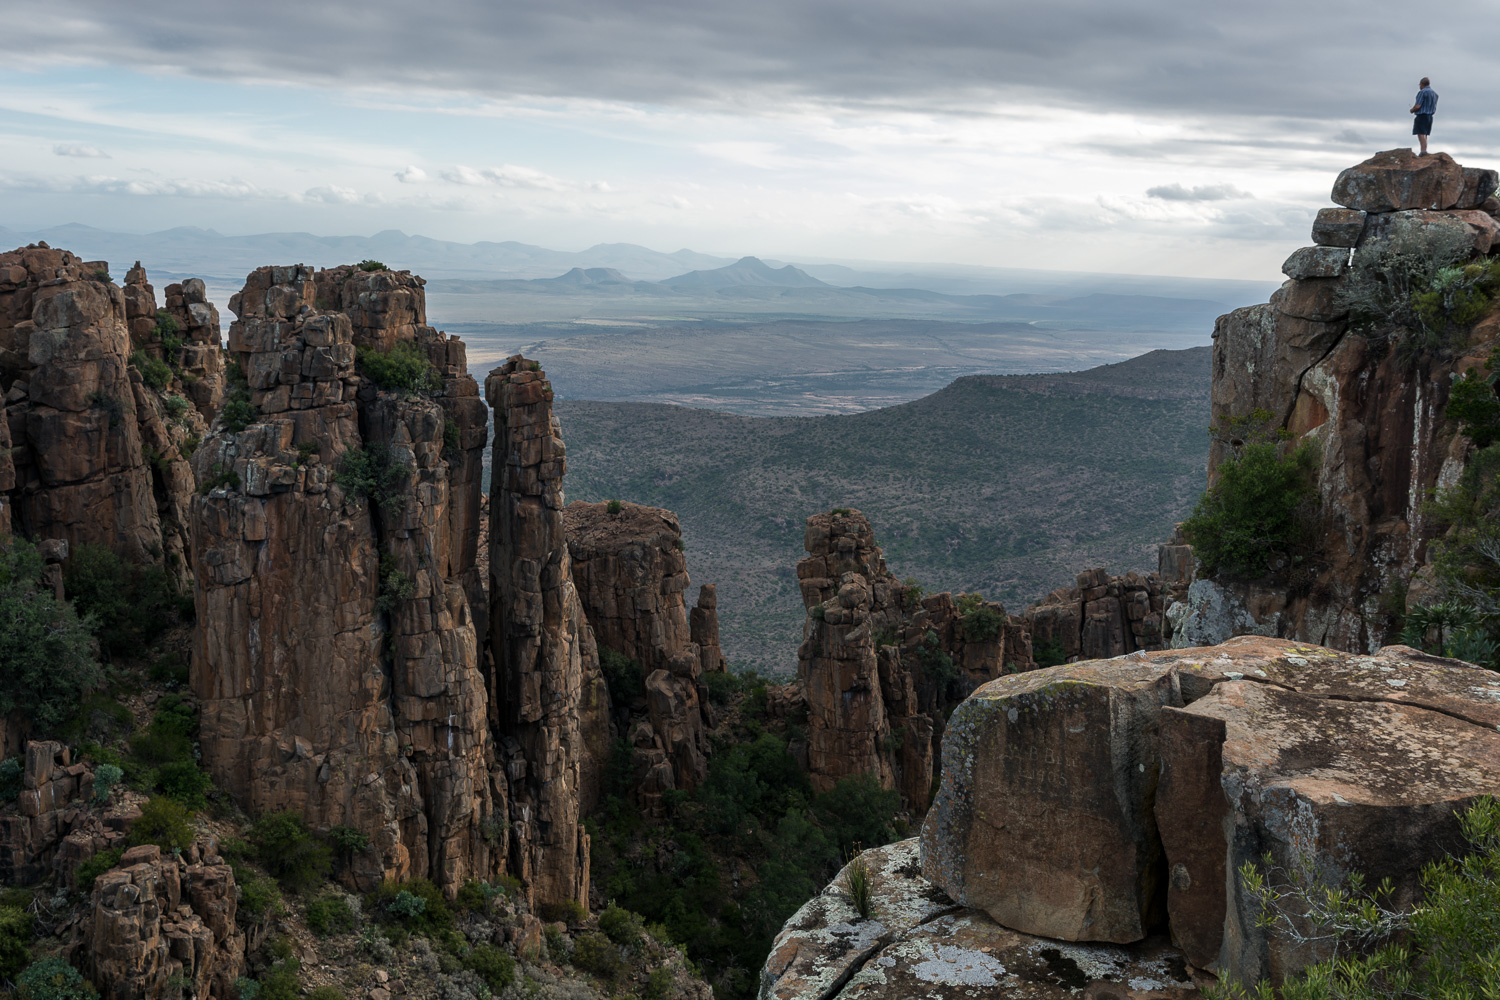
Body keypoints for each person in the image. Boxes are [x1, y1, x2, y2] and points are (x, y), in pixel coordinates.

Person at [1410, 77, 1438, 155]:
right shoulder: (1434, 94)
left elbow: (1418, 106)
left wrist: (1412, 110)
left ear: (1422, 84)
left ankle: (1423, 151)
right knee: (1425, 134)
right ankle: (1424, 150)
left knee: (1421, 133)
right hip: (1430, 116)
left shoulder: (1422, 92)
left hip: (1422, 115)